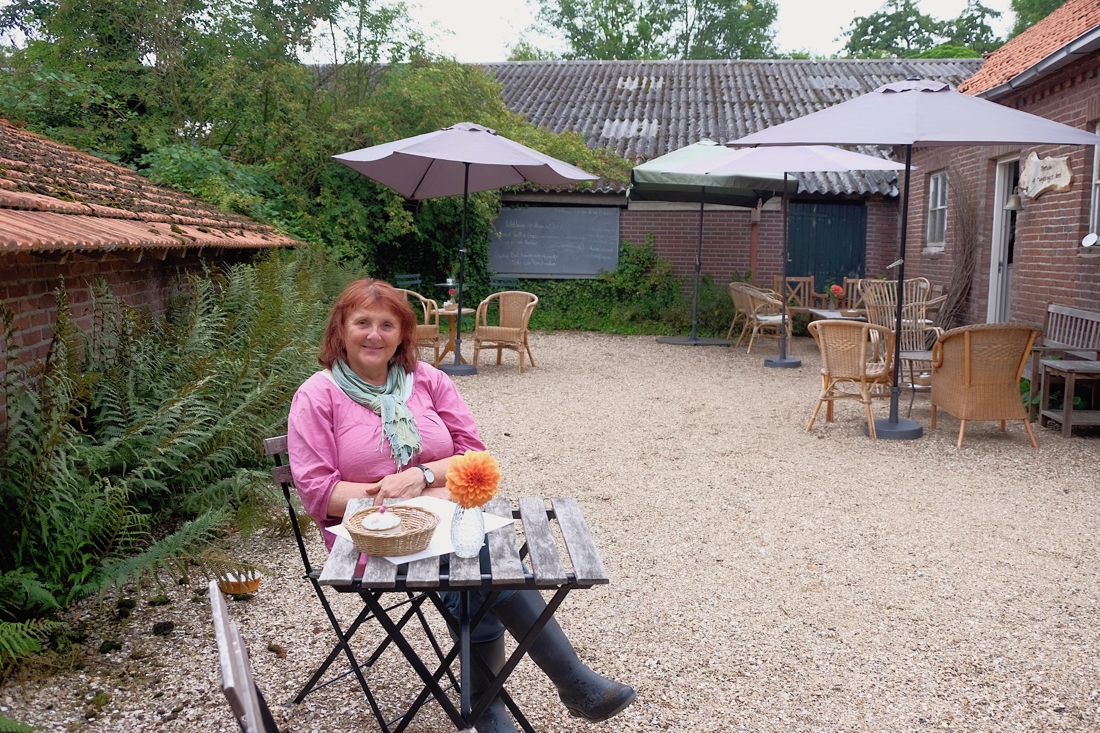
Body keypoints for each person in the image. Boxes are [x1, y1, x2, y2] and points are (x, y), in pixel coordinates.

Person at [287, 279, 634, 733]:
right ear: (341, 330)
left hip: (443, 516)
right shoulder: (318, 394)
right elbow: (318, 492)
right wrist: (413, 494)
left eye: (386, 324)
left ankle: (493, 703)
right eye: (362, 323)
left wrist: (424, 475)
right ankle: (559, 687)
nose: (374, 335)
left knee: (474, 556)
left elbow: (476, 458)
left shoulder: (428, 380)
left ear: (402, 334)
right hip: (368, 536)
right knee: (482, 559)